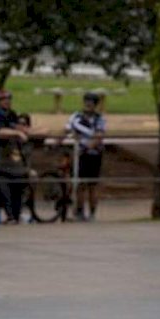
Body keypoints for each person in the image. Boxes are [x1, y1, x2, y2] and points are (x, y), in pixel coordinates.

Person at [64, 92, 106, 222]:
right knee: (79, 184)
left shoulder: (99, 119)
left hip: (93, 155)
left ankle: (92, 213)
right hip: (80, 155)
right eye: (86, 101)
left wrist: (87, 147)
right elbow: (66, 129)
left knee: (92, 185)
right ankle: (79, 211)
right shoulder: (76, 117)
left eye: (91, 102)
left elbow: (99, 137)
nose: (88, 104)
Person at [0, 113, 33, 224]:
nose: (20, 125)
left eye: (23, 124)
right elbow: (1, 132)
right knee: (4, 192)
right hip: (3, 173)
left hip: (20, 176)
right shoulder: (9, 137)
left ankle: (15, 217)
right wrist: (18, 133)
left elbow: (46, 131)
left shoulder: (29, 138)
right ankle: (9, 216)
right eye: (18, 123)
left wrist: (28, 132)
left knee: (17, 204)